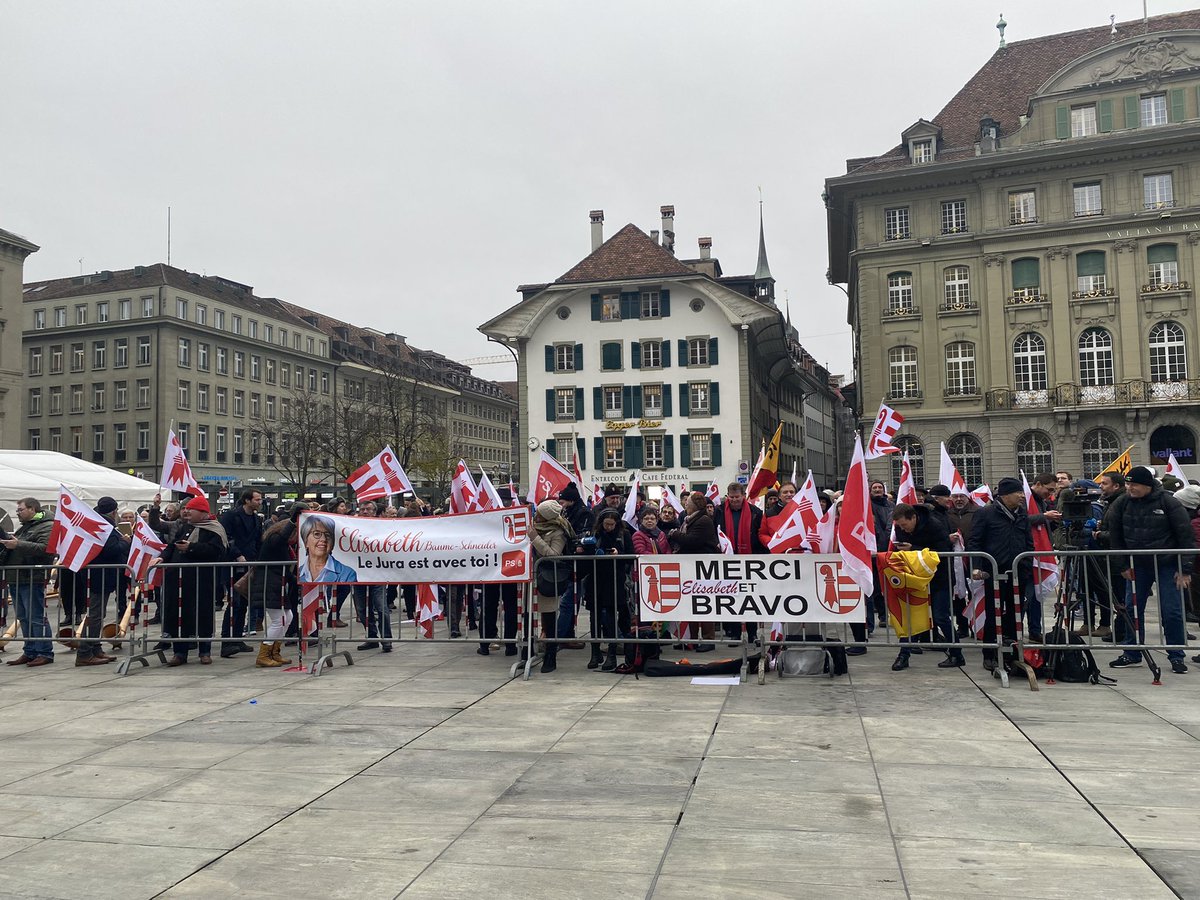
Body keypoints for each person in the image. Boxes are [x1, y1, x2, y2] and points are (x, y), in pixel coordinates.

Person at [1107, 466, 1195, 674]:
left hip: (1167, 565)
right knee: (1131, 609)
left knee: (1171, 611)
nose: (1130, 488)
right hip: (1137, 565)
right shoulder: (1122, 503)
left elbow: (1186, 536)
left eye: (1134, 484)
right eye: (1128, 484)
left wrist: (1185, 568)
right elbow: (1115, 536)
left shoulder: (1169, 502)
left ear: (1147, 485)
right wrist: (1122, 565)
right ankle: (1132, 651)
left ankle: (1176, 655)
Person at [967, 477, 1034, 672]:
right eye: (1018, 493)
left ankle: (1013, 653)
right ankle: (990, 654)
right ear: (1005, 495)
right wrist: (976, 566)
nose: (1022, 496)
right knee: (993, 613)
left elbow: (1028, 541)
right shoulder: (986, 513)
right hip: (993, 573)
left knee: (1016, 613)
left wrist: (1027, 565)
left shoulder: (1021, 514)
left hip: (1017, 572)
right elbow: (975, 541)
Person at [155, 495, 230, 666]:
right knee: (178, 614)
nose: (187, 512)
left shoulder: (214, 529)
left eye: (191, 509)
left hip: (202, 580)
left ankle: (204, 651)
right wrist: (162, 558)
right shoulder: (185, 527)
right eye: (186, 509)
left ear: (203, 512)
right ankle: (179, 652)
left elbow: (216, 551)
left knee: (202, 614)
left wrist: (191, 547)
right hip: (178, 579)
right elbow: (172, 545)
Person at [891, 501, 962, 669]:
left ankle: (956, 654)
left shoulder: (934, 524)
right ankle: (904, 654)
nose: (903, 529)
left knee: (940, 616)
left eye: (904, 525)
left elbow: (942, 550)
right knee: (910, 616)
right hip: (914, 577)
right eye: (899, 526)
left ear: (914, 518)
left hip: (939, 577)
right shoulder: (900, 528)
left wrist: (914, 548)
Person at [0, 498, 57, 667]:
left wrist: (17, 544)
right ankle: (30, 650)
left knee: (35, 617)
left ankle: (44, 652)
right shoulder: (27, 526)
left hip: (32, 576)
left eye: (20, 510)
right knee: (24, 617)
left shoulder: (47, 525)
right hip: (17, 576)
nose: (18, 513)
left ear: (32, 509)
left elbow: (45, 548)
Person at [74, 496, 126, 666]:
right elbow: (110, 550)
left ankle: (95, 648)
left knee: (98, 614)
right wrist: (125, 542)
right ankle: (85, 652)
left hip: (97, 575)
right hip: (99, 576)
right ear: (114, 511)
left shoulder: (97, 522)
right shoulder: (105, 526)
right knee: (95, 615)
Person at [247, 504, 302, 668]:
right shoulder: (275, 540)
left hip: (276, 583)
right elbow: (283, 538)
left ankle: (274, 651)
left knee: (288, 617)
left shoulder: (280, 543)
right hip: (269, 584)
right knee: (279, 620)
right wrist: (293, 520)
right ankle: (263, 654)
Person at [668, 491, 720, 651]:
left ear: (695, 505)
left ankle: (708, 639)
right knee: (692, 604)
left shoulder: (703, 520)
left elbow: (692, 541)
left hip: (703, 567)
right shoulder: (690, 519)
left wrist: (674, 534)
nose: (685, 505)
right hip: (692, 566)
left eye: (688, 503)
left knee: (703, 603)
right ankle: (691, 638)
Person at [587, 508, 635, 671]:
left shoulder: (624, 535)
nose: (609, 527)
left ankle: (612, 654)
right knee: (594, 618)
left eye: (612, 524)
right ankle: (595, 653)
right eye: (606, 524)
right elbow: (586, 555)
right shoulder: (595, 534)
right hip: (596, 579)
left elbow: (631, 556)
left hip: (615, 580)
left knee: (610, 618)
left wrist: (618, 553)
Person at [218, 488, 264, 657]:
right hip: (233, 565)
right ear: (247, 500)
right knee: (234, 603)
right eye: (257, 499)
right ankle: (227, 640)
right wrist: (237, 554)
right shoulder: (231, 516)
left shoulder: (256, 519)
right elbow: (226, 537)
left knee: (243, 603)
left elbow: (258, 540)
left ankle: (237, 638)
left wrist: (259, 559)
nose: (260, 502)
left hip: (250, 565)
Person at [531, 499, 575, 673]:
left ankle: (550, 656)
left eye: (539, 514)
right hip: (530, 578)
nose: (536, 516)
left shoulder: (559, 531)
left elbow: (553, 554)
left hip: (548, 579)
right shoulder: (532, 525)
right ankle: (527, 650)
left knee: (549, 620)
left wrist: (535, 538)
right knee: (527, 615)